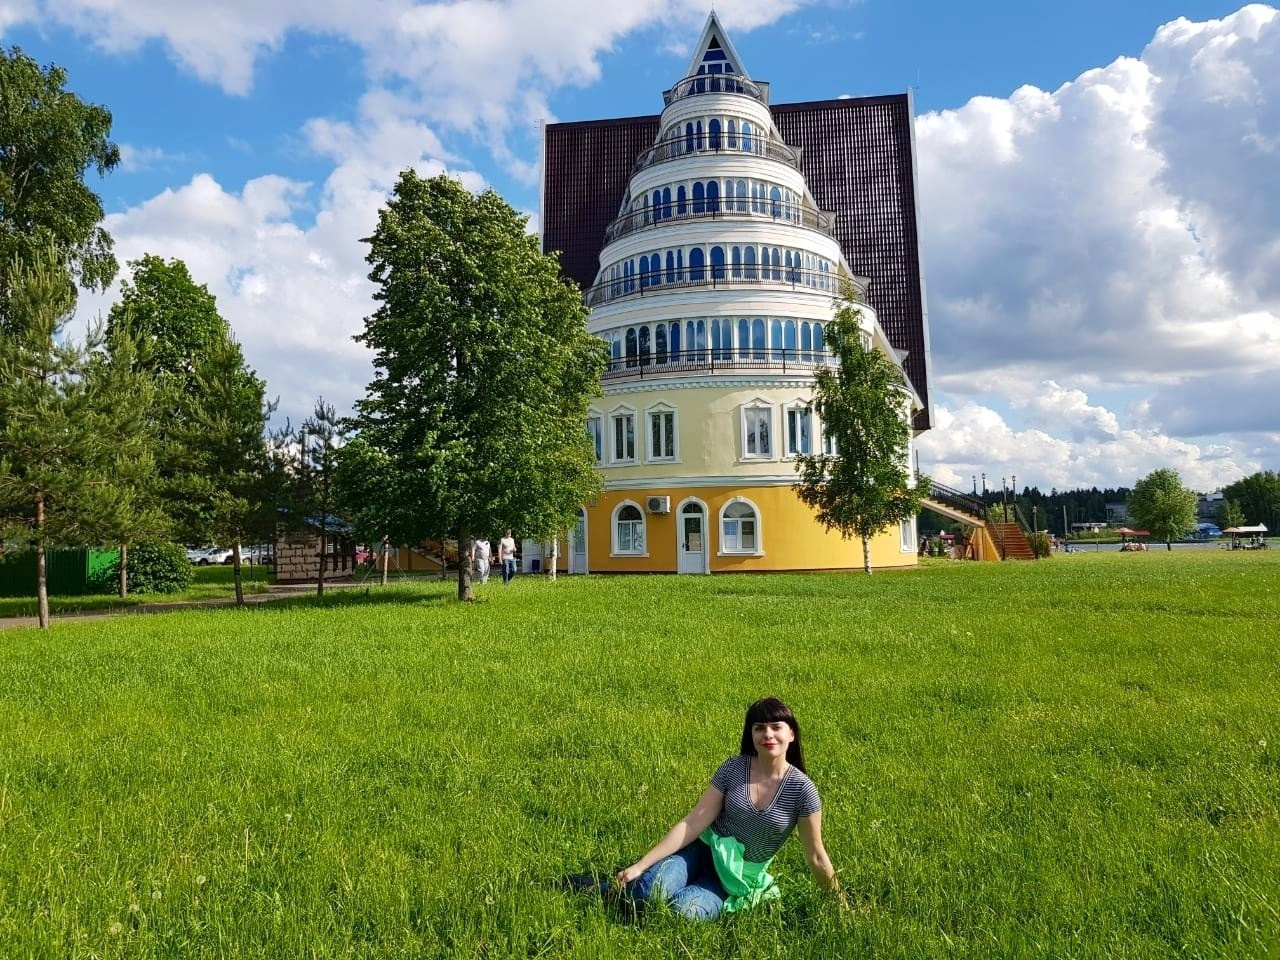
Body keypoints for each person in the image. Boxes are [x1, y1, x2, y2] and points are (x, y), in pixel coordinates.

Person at [605, 697, 846, 921]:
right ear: (751, 734)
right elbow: (693, 823)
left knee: (681, 913)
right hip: (701, 851)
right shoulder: (734, 768)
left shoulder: (802, 790)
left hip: (732, 878)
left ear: (791, 734)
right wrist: (640, 865)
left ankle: (624, 887)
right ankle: (603, 887)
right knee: (646, 894)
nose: (768, 734)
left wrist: (841, 905)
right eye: (759, 728)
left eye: (776, 727)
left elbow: (816, 856)